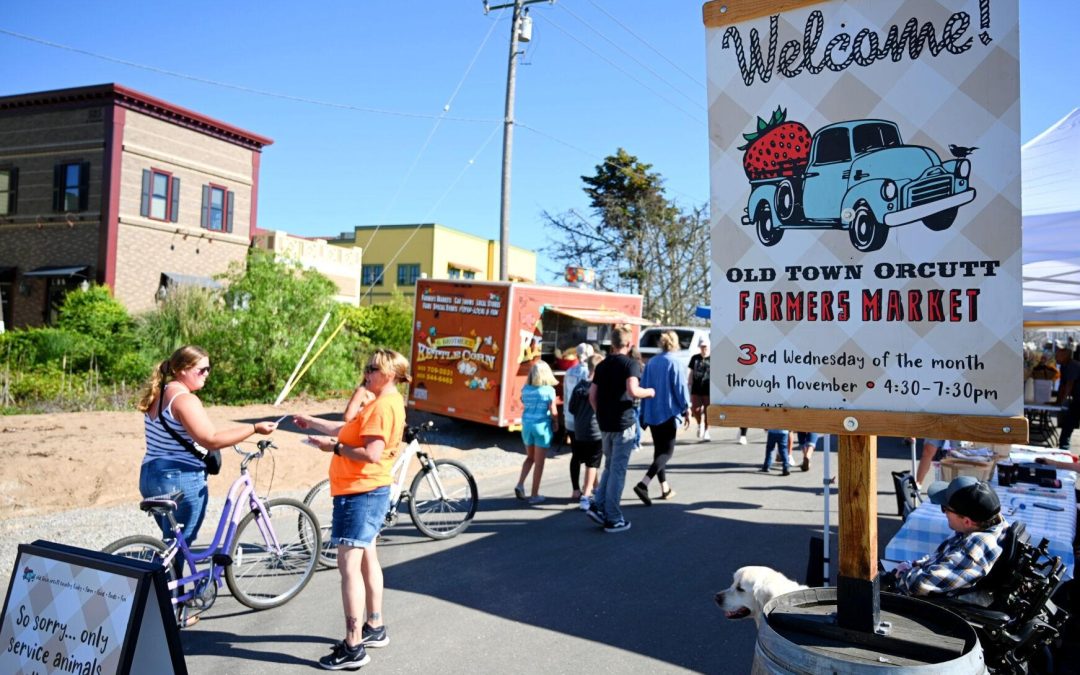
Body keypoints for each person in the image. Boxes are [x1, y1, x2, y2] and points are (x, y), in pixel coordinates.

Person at [293, 349, 410, 671]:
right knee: (368, 558)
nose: (366, 373)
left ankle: (353, 645)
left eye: (372, 368)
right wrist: (313, 423)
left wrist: (336, 449)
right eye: (367, 367)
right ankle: (375, 626)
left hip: (359, 493)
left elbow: (371, 452)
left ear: (389, 373)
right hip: (369, 490)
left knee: (349, 567)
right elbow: (347, 428)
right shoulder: (384, 403)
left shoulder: (381, 407)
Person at [137, 345, 277, 546]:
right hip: (179, 477)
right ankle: (164, 578)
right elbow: (210, 439)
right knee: (178, 547)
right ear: (181, 369)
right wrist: (254, 428)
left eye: (209, 369)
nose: (207, 374)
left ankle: (163, 576)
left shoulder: (158, 395)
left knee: (170, 545)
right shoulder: (184, 400)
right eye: (201, 370)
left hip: (151, 476)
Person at [886, 476, 1007, 597]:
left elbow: (921, 584)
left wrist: (904, 573)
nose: (944, 513)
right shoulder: (989, 523)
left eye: (945, 508)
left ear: (967, 521)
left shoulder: (978, 545)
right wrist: (914, 565)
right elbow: (941, 556)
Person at [586, 325, 655, 533]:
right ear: (628, 344)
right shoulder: (630, 364)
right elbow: (633, 390)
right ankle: (614, 517)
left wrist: (600, 413)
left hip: (605, 422)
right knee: (618, 470)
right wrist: (649, 392)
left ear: (613, 344)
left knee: (609, 466)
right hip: (623, 422)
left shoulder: (602, 365)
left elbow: (592, 396)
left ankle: (598, 506)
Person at [633, 331, 691, 505]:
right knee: (667, 452)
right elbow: (680, 388)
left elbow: (643, 385)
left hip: (652, 411)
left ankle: (665, 488)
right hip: (668, 412)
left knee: (659, 451)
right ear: (675, 344)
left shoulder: (651, 362)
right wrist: (686, 408)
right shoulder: (675, 362)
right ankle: (643, 483)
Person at [514, 361, 559, 505]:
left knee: (530, 458)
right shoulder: (549, 390)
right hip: (541, 427)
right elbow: (553, 411)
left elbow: (523, 400)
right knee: (539, 463)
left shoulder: (525, 388)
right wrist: (556, 422)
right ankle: (534, 495)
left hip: (527, 425)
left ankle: (520, 484)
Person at [568, 354, 604, 510]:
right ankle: (586, 495)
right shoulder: (600, 388)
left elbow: (571, 408)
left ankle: (594, 487)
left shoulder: (579, 386)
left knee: (583, 459)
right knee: (592, 463)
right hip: (595, 430)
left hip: (579, 431)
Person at [562, 343, 594, 484]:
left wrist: (564, 415)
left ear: (576, 355)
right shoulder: (589, 374)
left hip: (570, 418)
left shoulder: (569, 372)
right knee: (590, 456)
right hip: (585, 419)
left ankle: (576, 489)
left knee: (575, 454)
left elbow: (565, 395)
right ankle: (592, 487)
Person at [687, 338, 711, 441]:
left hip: (708, 388)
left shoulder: (712, 358)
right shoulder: (695, 358)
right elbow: (691, 371)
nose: (704, 349)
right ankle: (699, 423)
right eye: (702, 347)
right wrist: (689, 382)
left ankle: (706, 430)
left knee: (708, 410)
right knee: (695, 409)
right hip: (696, 387)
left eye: (705, 347)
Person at [1057, 346, 1080, 450]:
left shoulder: (1073, 365)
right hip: (1076, 400)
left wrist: (1062, 401)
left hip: (1078, 399)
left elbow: (1069, 385)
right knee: (1068, 425)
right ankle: (1063, 448)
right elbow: (1062, 385)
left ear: (1066, 356)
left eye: (1058, 355)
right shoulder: (1063, 366)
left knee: (1068, 424)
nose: (1055, 357)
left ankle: (1064, 447)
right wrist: (1058, 401)